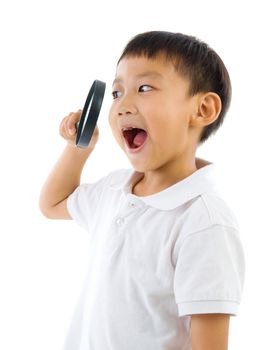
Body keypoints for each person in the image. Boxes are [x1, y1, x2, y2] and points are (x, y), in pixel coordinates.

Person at [39, 31, 245, 350]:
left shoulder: (204, 223)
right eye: (117, 92)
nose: (122, 106)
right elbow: (53, 204)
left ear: (202, 109)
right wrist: (78, 148)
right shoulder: (113, 190)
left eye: (144, 88)